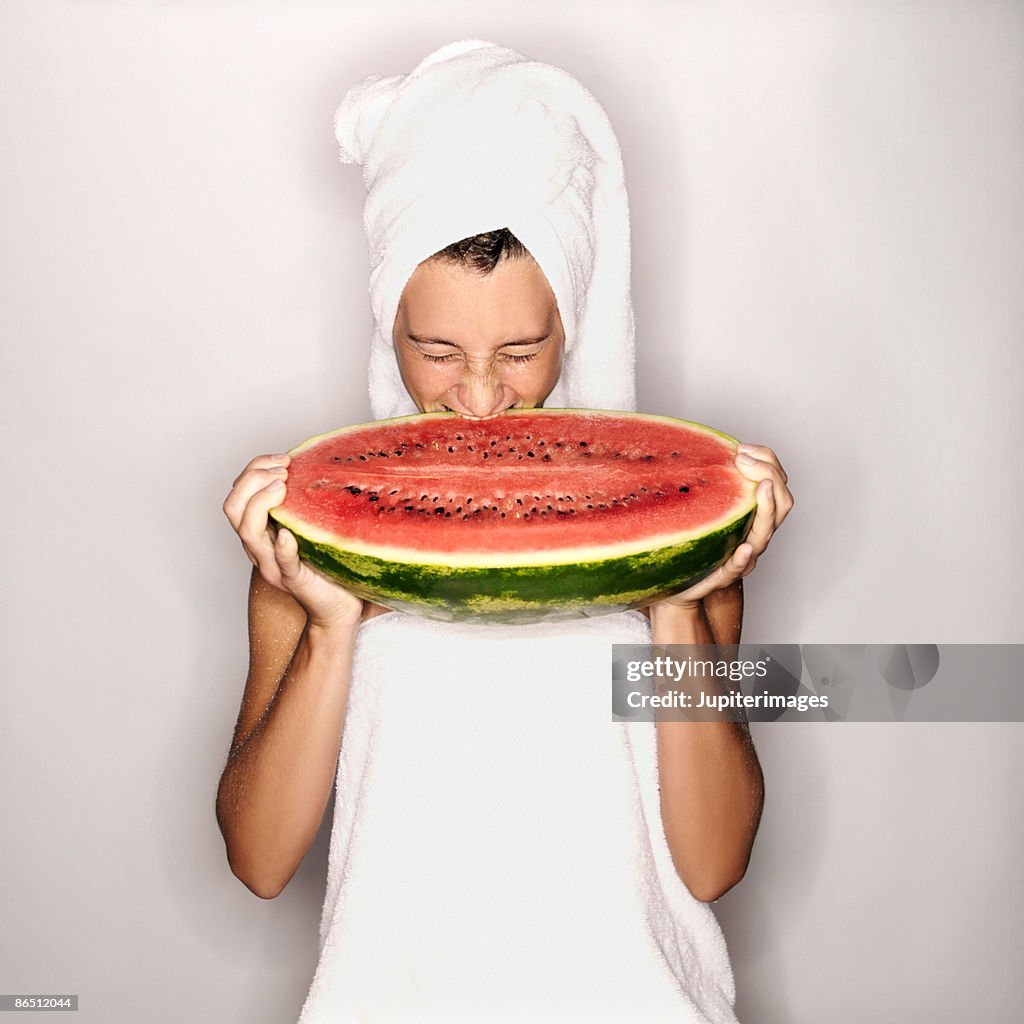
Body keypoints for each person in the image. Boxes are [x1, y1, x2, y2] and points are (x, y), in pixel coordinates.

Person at [217, 42, 792, 1024]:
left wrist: (679, 607)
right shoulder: (304, 556)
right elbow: (261, 862)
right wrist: (332, 623)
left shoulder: (685, 562)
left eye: (522, 350)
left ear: (575, 324)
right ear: (382, 323)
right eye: (434, 350)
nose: (479, 398)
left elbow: (713, 861)